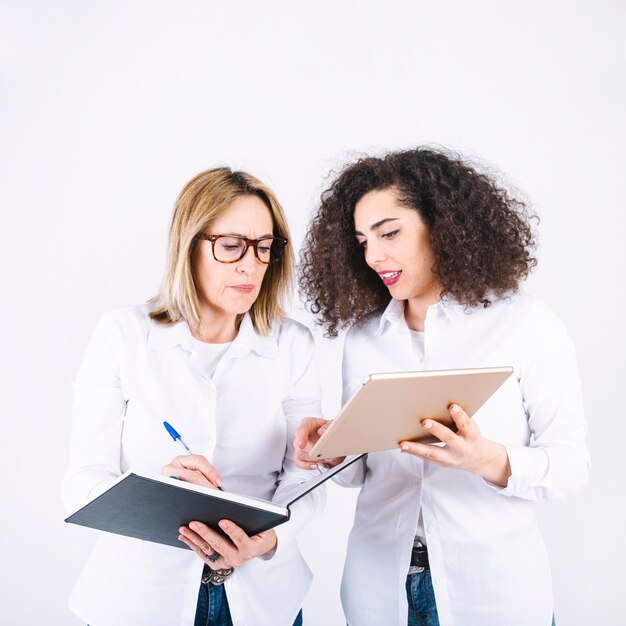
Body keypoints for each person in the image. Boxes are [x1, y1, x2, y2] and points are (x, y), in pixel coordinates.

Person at [295, 147, 589, 626]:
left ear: (444, 224)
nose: (373, 255)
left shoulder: (525, 324)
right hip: (378, 593)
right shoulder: (365, 339)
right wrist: (330, 449)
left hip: (494, 594)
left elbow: (573, 466)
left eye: (389, 233)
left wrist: (487, 459)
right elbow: (358, 473)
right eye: (362, 240)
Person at [62, 167, 323, 626]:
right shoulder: (124, 334)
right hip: (139, 601)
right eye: (231, 246)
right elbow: (82, 484)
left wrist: (267, 539)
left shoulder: (292, 343)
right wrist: (159, 492)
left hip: (265, 601)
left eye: (264, 248)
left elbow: (306, 478)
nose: (250, 265)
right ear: (189, 244)